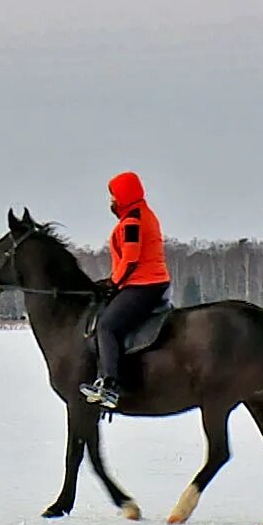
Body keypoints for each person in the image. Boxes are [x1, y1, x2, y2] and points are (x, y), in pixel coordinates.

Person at [80, 172, 172, 409]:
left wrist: (114, 283)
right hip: (148, 281)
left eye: (113, 196)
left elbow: (131, 259)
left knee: (106, 326)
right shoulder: (142, 215)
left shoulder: (132, 221)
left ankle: (110, 385)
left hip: (143, 284)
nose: (111, 202)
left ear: (124, 196)